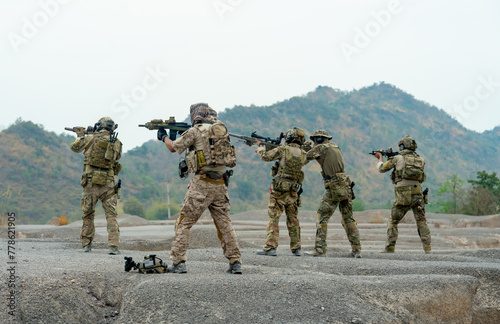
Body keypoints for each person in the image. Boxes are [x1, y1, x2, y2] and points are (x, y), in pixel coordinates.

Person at [160, 103, 242, 274]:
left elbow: (173, 147)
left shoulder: (195, 131)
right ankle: (235, 262)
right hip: (220, 184)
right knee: (225, 224)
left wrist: (164, 137)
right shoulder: (221, 131)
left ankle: (178, 262)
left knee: (183, 224)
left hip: (201, 185)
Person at [304, 130, 362, 258]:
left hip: (334, 187)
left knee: (322, 217)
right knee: (348, 219)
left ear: (319, 139)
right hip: (345, 186)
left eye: (315, 140)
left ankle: (319, 249)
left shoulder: (320, 148)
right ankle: (356, 249)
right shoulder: (335, 147)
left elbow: (303, 160)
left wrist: (303, 150)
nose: (314, 142)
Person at [70, 117, 122, 255]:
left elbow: (74, 147)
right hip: (108, 184)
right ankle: (113, 246)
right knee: (111, 216)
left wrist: (82, 135)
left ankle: (87, 244)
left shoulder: (90, 139)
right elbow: (117, 157)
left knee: (88, 214)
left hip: (90, 182)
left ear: (99, 125)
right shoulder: (116, 142)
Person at [255, 127, 307, 257]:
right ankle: (297, 248)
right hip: (293, 190)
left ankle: (270, 247)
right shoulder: (303, 153)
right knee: (293, 219)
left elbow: (265, 157)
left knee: (274, 218)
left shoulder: (282, 150)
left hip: (278, 189)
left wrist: (261, 147)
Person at [373, 135, 431, 253]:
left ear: (402, 146)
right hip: (418, 193)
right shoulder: (421, 160)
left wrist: (380, 158)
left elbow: (382, 169)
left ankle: (390, 247)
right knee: (421, 221)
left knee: (393, 221)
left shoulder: (398, 158)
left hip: (404, 194)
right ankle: (427, 249)